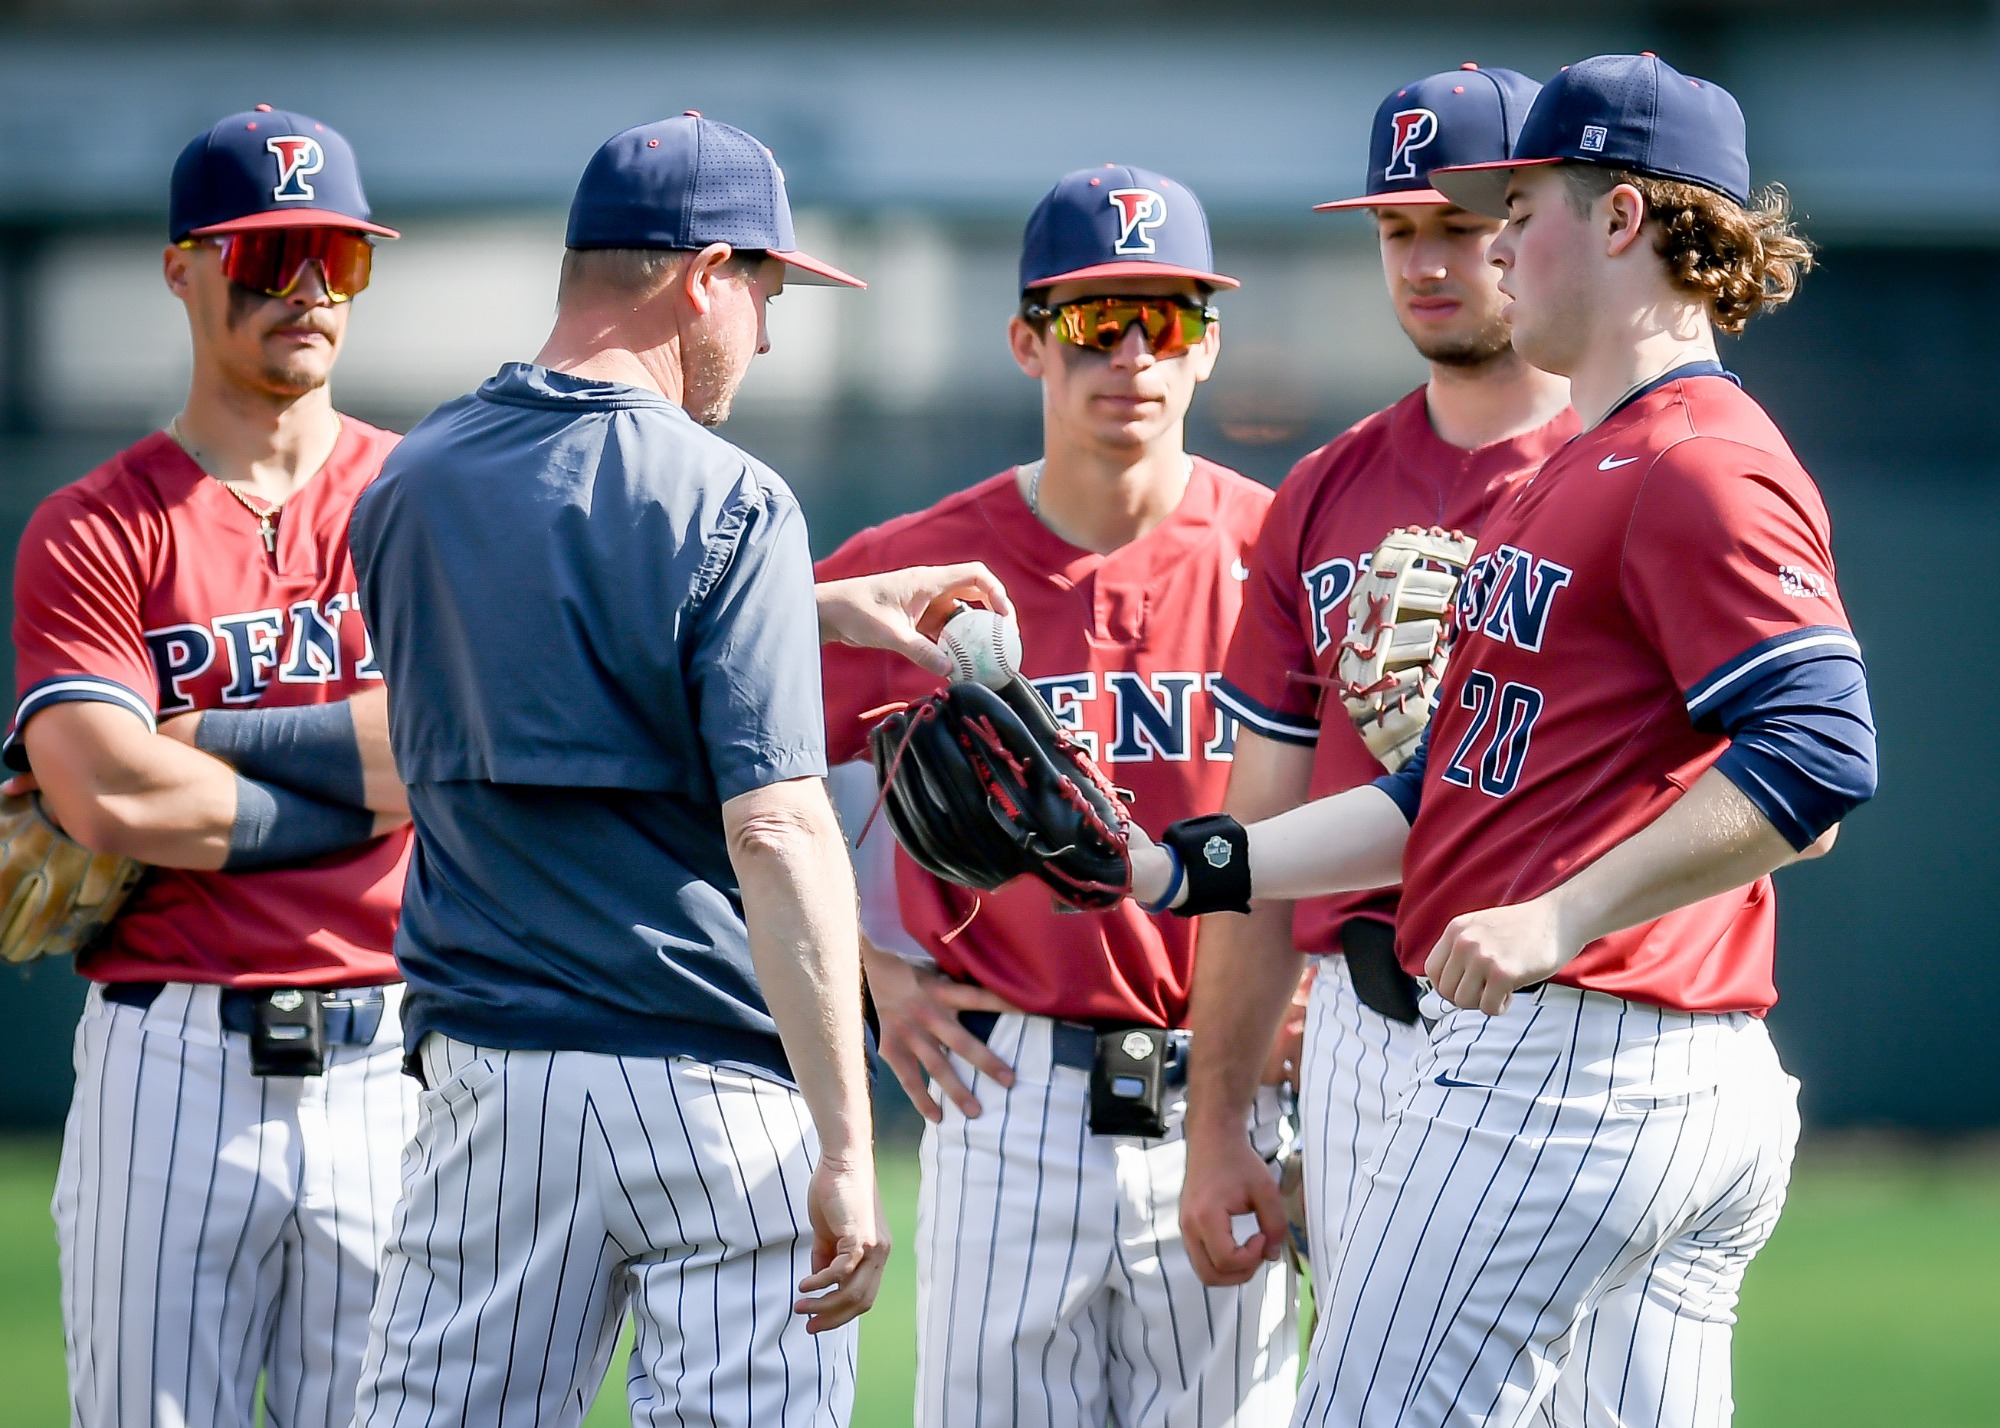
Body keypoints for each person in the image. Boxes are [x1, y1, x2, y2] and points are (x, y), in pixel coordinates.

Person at [1131, 53, 1876, 1425]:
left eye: (1515, 207)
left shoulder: (1697, 457)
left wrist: (1558, 914)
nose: (1496, 245)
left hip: (1576, 1063)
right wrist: (1187, 867)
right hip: (1618, 1065)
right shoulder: (1585, 466)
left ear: (1621, 219)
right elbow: (1437, 798)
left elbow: (1820, 760)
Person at [346, 113, 909, 1428]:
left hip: (488, 1074)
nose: (766, 331)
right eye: (765, 289)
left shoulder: (404, 483)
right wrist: (847, 1138)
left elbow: (552, 633)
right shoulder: (734, 498)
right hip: (708, 1086)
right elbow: (776, 831)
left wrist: (805, 607)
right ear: (704, 273)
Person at [816, 165, 1297, 1428]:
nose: (1132, 354)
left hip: (1226, 1091)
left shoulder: (1282, 556)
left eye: (1169, 318)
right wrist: (879, 964)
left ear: (1205, 348)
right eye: (1094, 321)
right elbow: (770, 765)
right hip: (1006, 1088)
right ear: (1029, 341)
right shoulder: (907, 573)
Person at [4, 108, 417, 1428]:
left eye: (336, 260)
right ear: (182, 268)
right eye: (266, 254)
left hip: (391, 1058)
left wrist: (199, 744)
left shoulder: (427, 501)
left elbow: (470, 749)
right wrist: (363, 779)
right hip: (168, 1061)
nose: (304, 289)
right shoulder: (97, 524)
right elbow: (106, 793)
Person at [1181, 65, 1576, 1290]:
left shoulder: (1642, 462)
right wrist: (1218, 1124)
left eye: (1458, 225)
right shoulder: (1321, 492)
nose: (1424, 261)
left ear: (1533, 222)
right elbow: (1258, 832)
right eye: (1398, 231)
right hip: (1365, 1025)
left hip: (1581, 1019)